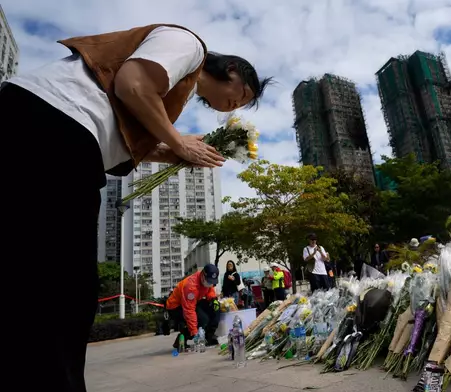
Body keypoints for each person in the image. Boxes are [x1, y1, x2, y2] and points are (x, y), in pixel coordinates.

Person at [1, 23, 272, 392]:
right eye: (239, 97)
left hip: (52, 130)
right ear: (233, 71)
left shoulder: (177, 88)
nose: (233, 107)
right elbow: (132, 84)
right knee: (66, 288)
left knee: (48, 282)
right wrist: (178, 141)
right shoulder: (190, 45)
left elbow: (128, 139)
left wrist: (176, 150)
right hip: (55, 124)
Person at [165, 264, 220, 349]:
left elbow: (210, 289)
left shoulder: (207, 281)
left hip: (193, 301)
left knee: (215, 308)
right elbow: (189, 311)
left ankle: (209, 337)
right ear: (203, 275)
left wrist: (213, 299)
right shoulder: (191, 287)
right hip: (176, 307)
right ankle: (182, 338)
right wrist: (194, 333)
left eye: (212, 282)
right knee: (202, 319)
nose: (210, 284)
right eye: (208, 281)